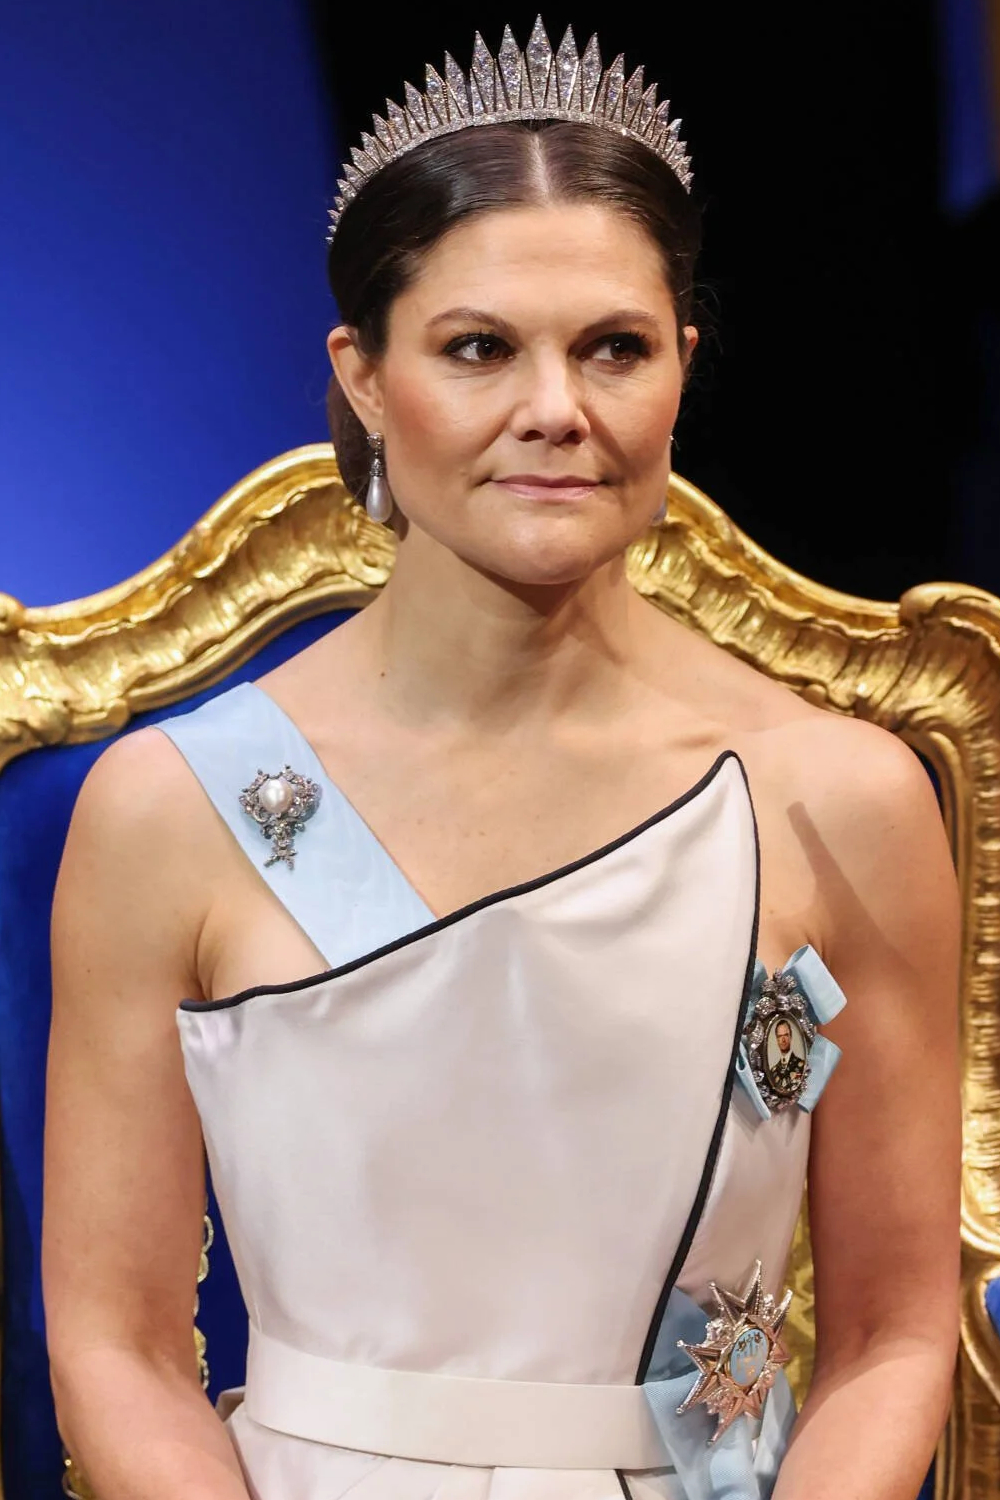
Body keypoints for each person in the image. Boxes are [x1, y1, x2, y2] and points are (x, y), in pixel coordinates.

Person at [42, 19, 961, 1500]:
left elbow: (892, 1333)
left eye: (615, 347)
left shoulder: (836, 797)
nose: (557, 410)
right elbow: (116, 1342)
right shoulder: (176, 811)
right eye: (479, 349)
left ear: (681, 368)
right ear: (360, 375)